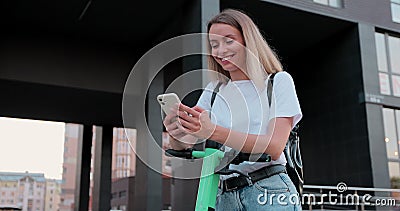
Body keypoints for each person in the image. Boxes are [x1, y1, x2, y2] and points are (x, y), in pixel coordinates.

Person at [163, 9, 302, 210]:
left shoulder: (278, 82)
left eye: (229, 41)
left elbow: (274, 146)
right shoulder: (214, 90)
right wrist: (176, 131)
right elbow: (186, 143)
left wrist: (213, 132)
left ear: (248, 41)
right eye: (214, 45)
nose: (220, 51)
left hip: (269, 191)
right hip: (224, 194)